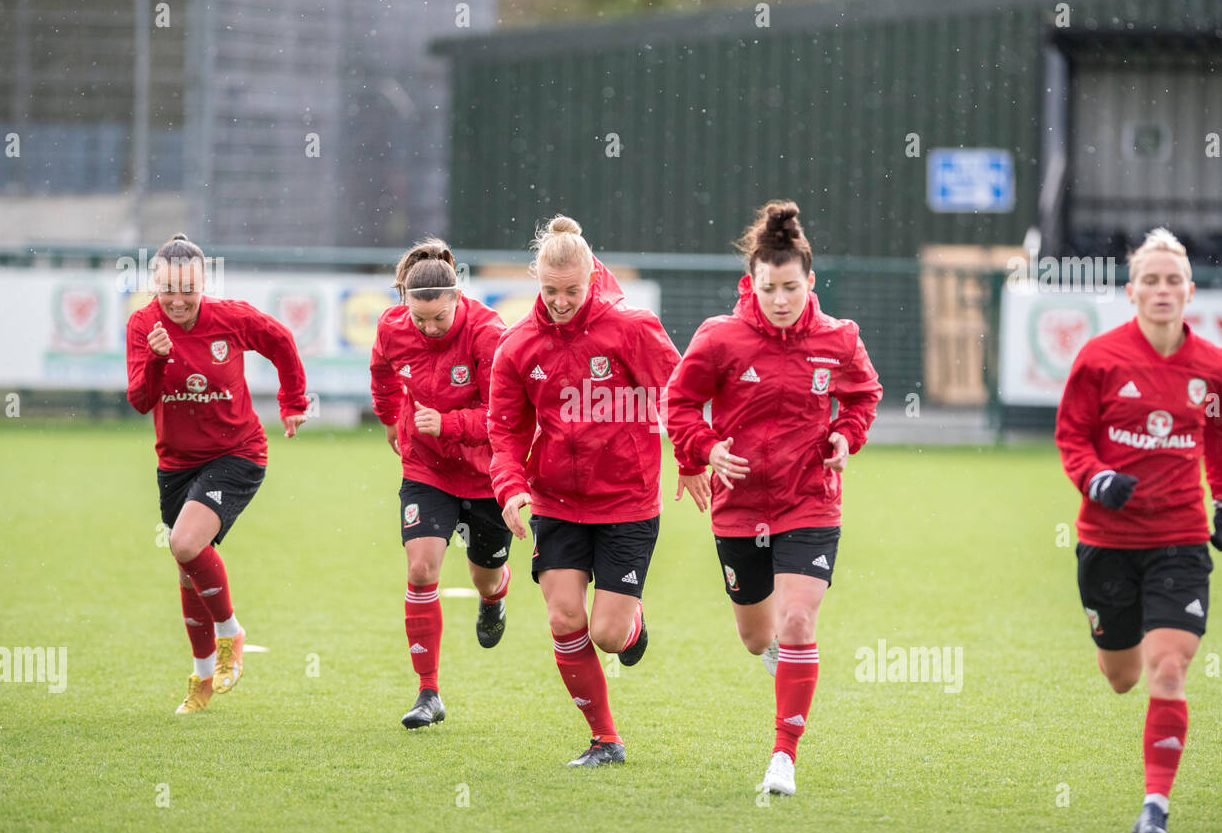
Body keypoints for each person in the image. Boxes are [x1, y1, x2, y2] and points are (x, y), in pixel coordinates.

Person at [663, 201, 882, 796]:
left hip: (809, 501)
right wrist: (705, 450)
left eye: (791, 287)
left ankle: (783, 755)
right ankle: (780, 661)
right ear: (751, 284)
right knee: (758, 636)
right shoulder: (720, 338)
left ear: (810, 282)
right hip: (738, 507)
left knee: (796, 621)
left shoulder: (838, 338)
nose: (780, 299)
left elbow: (864, 396)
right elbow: (677, 404)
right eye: (769, 288)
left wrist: (846, 434)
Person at [488, 215, 708, 767]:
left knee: (608, 636)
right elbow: (505, 430)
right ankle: (604, 739)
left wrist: (690, 456)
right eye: (550, 291)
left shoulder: (630, 327)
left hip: (627, 503)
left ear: (592, 279)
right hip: (556, 503)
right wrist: (511, 488)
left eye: (572, 291)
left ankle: (631, 628)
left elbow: (676, 391)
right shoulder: (517, 346)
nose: (561, 302)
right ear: (535, 281)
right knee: (565, 618)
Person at [1055, 227, 1222, 833]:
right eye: (1151, 280)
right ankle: (1121, 641)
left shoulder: (1214, 367)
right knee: (1123, 676)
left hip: (1180, 541)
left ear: (1189, 291)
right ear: (1131, 290)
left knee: (1168, 669)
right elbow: (1072, 437)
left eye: (1173, 281)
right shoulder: (1100, 359)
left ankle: (1154, 810)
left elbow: (1220, 439)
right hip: (1107, 543)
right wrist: (1096, 479)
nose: (1162, 290)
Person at [125, 234, 309, 714]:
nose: (179, 299)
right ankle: (203, 678)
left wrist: (292, 402)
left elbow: (282, 343)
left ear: (204, 283)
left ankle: (232, 633)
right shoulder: (143, 326)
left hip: (238, 453)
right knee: (188, 573)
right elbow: (141, 400)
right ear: (155, 285)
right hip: (176, 464)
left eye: (188, 288)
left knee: (185, 544)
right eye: (168, 288)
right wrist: (157, 358)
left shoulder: (230, 317)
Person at [370, 239, 512, 729]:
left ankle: (494, 600)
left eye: (438, 319)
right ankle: (427, 692)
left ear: (457, 299)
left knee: (484, 577)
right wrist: (392, 420)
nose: (428, 329)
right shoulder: (392, 327)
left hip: (481, 470)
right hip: (426, 468)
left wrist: (449, 425)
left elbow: (504, 415)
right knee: (423, 568)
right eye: (419, 319)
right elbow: (383, 375)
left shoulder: (489, 333)